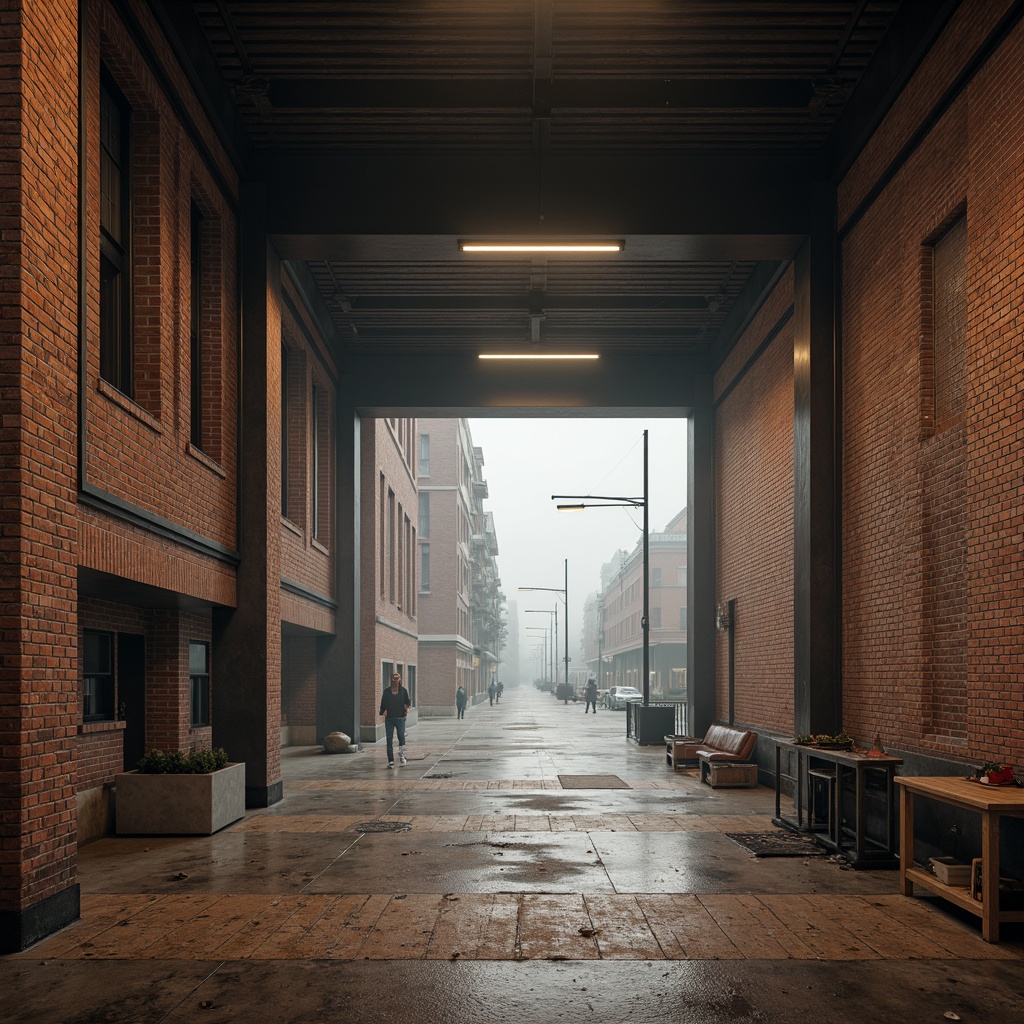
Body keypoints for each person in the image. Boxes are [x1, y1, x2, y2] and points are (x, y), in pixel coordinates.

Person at [379, 672, 411, 768]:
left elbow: (408, 702)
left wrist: (406, 709)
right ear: (391, 680)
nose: (395, 681)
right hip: (389, 719)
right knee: (389, 739)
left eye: (397, 679)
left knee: (401, 737)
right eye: (393, 679)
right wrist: (382, 712)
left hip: (400, 718)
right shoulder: (387, 691)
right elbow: (383, 703)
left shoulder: (403, 691)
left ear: (400, 680)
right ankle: (391, 760)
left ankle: (401, 755)